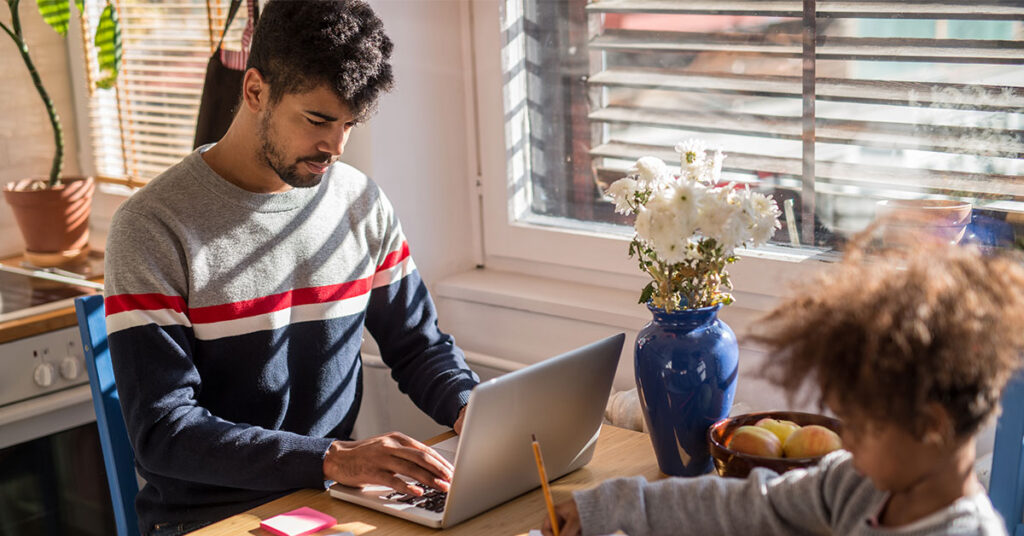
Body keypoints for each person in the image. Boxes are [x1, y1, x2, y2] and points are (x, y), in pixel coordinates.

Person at [102, 2, 479, 534]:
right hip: (214, 519)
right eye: (318, 120)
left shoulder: (359, 203)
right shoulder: (153, 227)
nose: (335, 146)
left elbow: (417, 346)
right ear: (255, 90)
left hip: (332, 505)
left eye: (350, 124)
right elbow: (165, 431)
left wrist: (475, 413)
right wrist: (332, 458)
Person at [542, 243, 1024, 536]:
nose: (847, 440)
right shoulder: (856, 483)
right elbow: (753, 507)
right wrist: (609, 506)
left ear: (930, 425)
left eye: (862, 424)